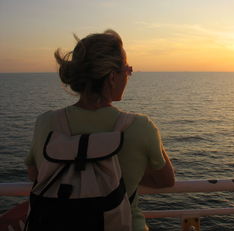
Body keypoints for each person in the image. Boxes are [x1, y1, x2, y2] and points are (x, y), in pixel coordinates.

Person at [25, 29, 175, 231]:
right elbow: (165, 180)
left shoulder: (46, 122)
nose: (128, 76)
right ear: (113, 77)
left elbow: (35, 174)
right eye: (127, 70)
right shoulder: (140, 126)